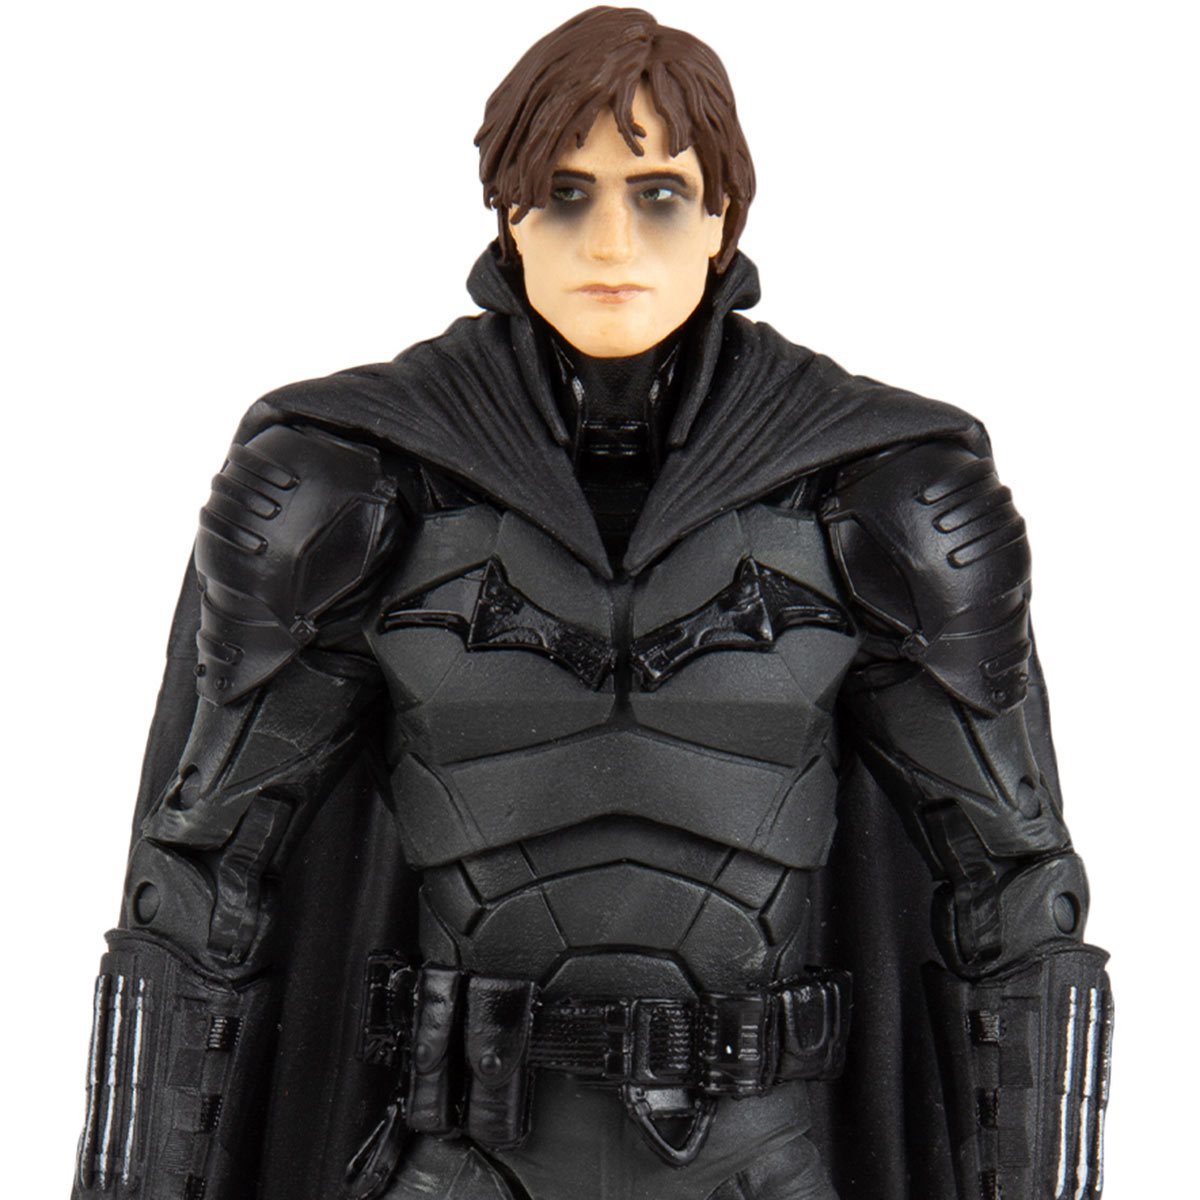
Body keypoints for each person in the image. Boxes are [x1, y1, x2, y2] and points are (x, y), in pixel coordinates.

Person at [70, 8, 1111, 1199]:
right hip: (466, 1159)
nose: (611, 240)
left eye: (659, 194)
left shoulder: (878, 495)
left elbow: (1017, 906)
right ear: (507, 216)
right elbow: (196, 892)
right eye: (565, 195)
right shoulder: (353, 484)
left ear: (723, 215)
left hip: (758, 1160)